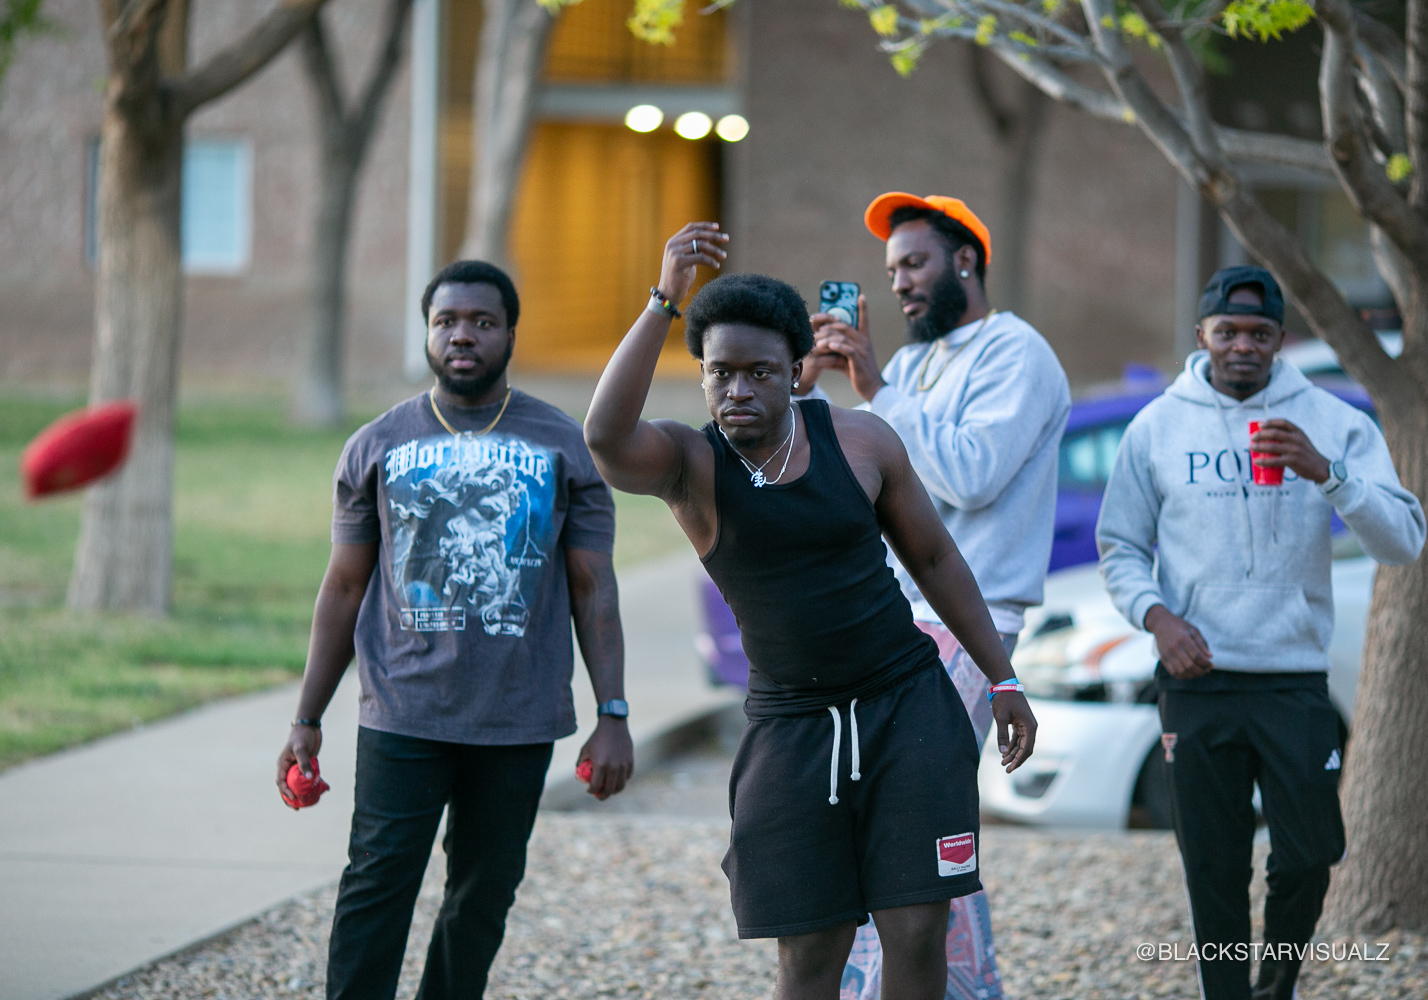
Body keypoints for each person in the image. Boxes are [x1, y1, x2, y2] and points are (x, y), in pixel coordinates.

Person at [583, 221, 1037, 1000]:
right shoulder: (691, 464)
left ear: (795, 372)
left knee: (917, 931)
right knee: (809, 951)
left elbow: (935, 561)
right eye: (720, 373)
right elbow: (604, 435)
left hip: (906, 706)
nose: (738, 390)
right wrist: (665, 298)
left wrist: (1003, 679)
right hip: (791, 727)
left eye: (759, 372)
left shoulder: (861, 442)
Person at [275, 259, 634, 1000]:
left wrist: (613, 713)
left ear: (511, 334)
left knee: (483, 893)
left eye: (482, 322)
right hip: (403, 708)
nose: (462, 335)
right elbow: (343, 586)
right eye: (446, 321)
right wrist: (307, 717)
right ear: (428, 333)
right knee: (377, 884)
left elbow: (593, 587)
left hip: (518, 716)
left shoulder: (564, 445)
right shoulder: (376, 444)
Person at [1096, 265, 1425, 1000]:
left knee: (1309, 854)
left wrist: (1327, 472)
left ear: (1280, 339)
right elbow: (1119, 546)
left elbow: (1404, 540)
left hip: (1292, 675)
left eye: (1259, 333)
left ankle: (1274, 988)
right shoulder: (1157, 426)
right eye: (1228, 332)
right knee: (1213, 866)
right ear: (1202, 335)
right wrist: (1156, 617)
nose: (1243, 345)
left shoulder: (1333, 420)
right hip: (1196, 678)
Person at [797, 193, 1069, 1000]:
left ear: (965, 261)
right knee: (898, 813)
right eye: (891, 271)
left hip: (972, 618)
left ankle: (942, 986)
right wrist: (804, 389)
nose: (900, 284)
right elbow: (853, 478)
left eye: (914, 264)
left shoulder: (1018, 353)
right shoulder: (914, 367)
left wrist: (877, 385)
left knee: (910, 814)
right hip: (894, 620)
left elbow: (971, 476)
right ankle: (935, 983)